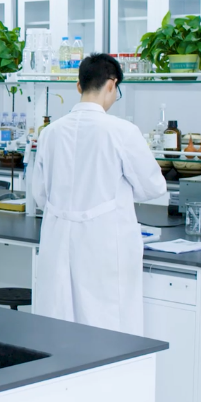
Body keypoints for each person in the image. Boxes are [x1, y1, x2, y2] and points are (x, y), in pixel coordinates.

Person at [31, 54, 167, 335]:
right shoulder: (122, 131)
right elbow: (153, 187)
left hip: (58, 240)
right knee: (106, 331)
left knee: (58, 328)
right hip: (104, 246)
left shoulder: (51, 133)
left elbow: (40, 195)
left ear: (79, 86)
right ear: (112, 85)